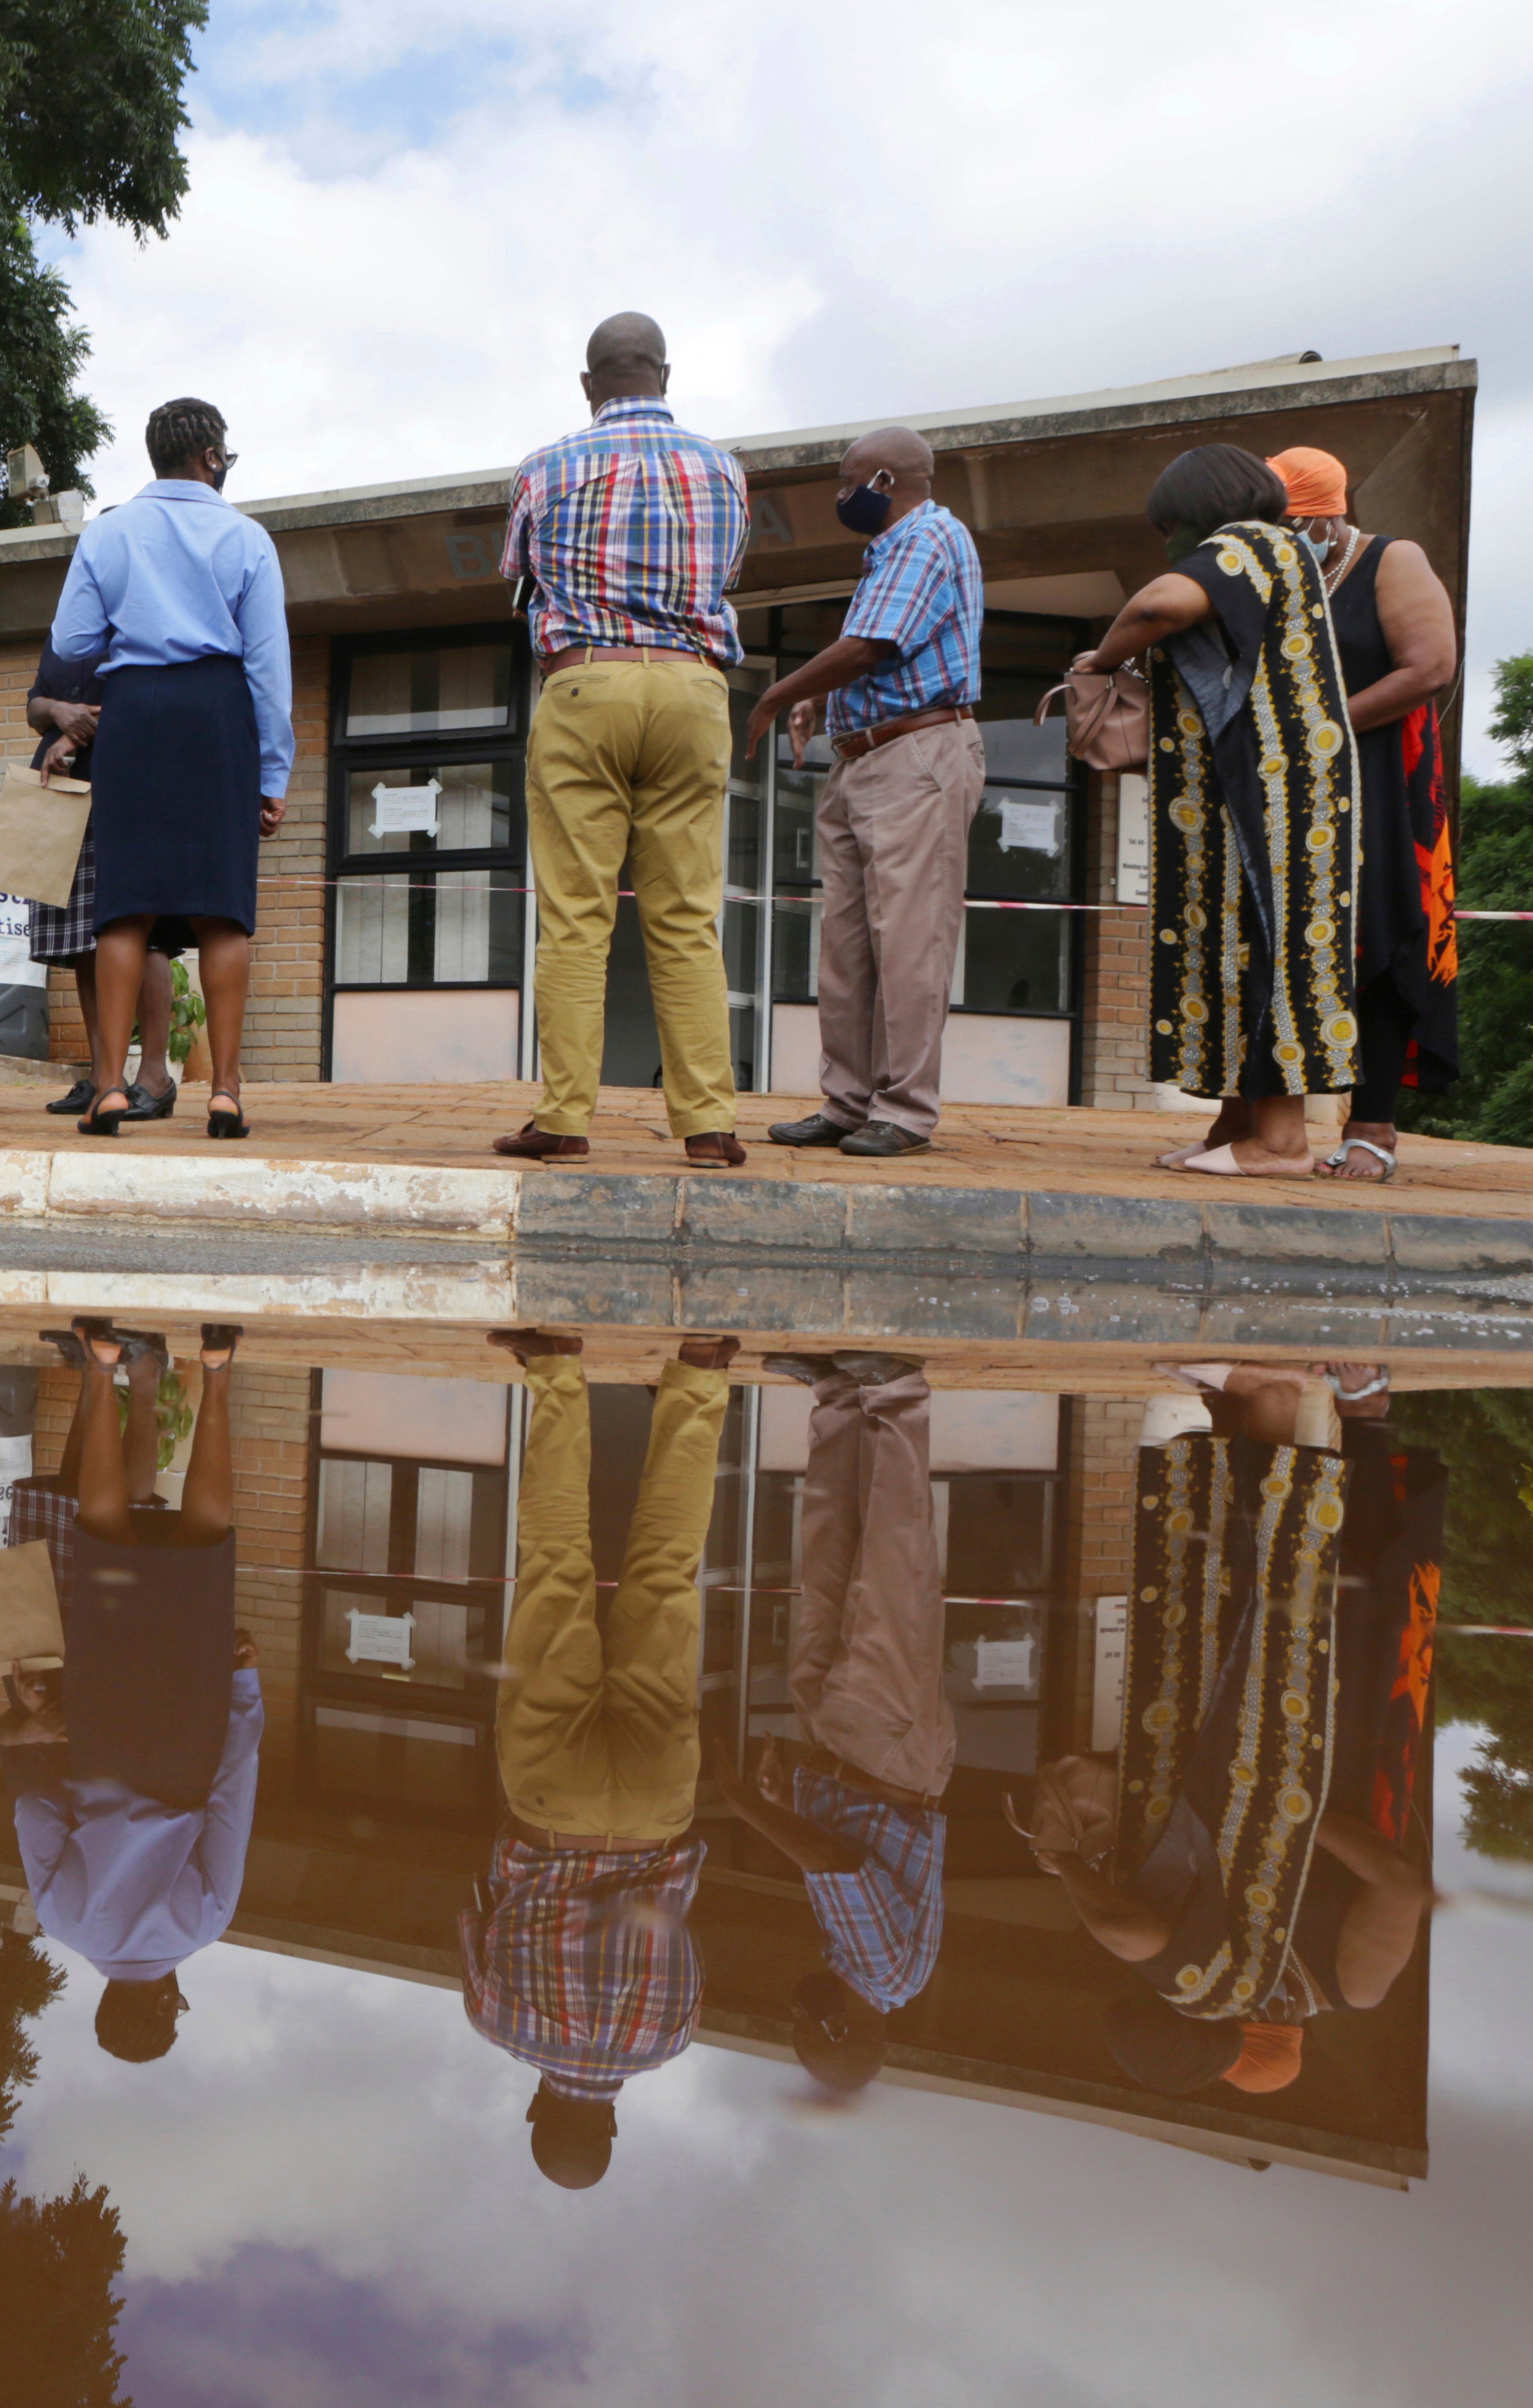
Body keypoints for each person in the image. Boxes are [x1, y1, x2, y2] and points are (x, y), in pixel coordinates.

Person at [1024, 1368, 1428, 2093]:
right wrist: (1287, 1811)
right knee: (1346, 1596)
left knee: (1243, 1596)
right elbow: (1398, 1884)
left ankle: (1255, 1408)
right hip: (1337, 1763)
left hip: (1242, 1757)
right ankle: (1360, 1412)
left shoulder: (1213, 1960)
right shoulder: (1344, 1986)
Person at [462, 1325, 732, 2186]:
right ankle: (554, 1368)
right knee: (555, 1566)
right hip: (551, 1806)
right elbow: (477, 1908)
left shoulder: (675, 2036)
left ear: (611, 2127)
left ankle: (701, 1374)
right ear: (540, 2111)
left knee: (666, 1573)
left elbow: (684, 1931)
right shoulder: (500, 2026)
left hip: (658, 1812)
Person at [495, 315, 752, 1169]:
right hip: (690, 686)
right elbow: (723, 576)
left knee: (576, 918)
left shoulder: (545, 466)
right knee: (687, 918)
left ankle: (565, 1116)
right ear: (666, 375)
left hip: (587, 682)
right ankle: (709, 1124)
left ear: (588, 384)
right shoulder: (725, 470)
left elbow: (520, 579)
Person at [1073, 445, 1362, 1175]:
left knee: (1264, 943)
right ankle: (1237, 1126)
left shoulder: (1247, 543)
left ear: (1193, 512)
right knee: (1235, 946)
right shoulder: (1279, 552)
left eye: (1167, 526)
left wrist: (1101, 660)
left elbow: (1159, 604)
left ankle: (1281, 1143)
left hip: (1271, 795)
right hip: (1265, 789)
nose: (1167, 543)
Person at [0, 1321, 259, 2062]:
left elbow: (234, 1797)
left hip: (187, 1732)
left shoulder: (202, 1928)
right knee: (104, 1532)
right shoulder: (65, 1922)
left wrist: (244, 1691)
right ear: (106, 2005)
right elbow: (33, 1806)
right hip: (103, 1730)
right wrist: (42, 1724)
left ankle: (217, 1371)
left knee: (206, 1534)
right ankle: (105, 1366)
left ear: (168, 2008)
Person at [47, 399, 292, 1139]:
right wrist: (271, 774)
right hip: (216, 713)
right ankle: (224, 1091)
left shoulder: (109, 532)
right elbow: (268, 668)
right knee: (222, 908)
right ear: (212, 457)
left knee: (125, 907)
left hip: (133, 715)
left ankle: (111, 1088)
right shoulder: (246, 538)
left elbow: (72, 639)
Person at [714, 1351, 954, 2094]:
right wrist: (747, 1808)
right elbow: (838, 1864)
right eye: (800, 2029)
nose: (793, 2013)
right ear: (838, 2031)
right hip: (890, 1755)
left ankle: (840, 1399)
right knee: (892, 1566)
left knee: (826, 1555)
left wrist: (790, 1798)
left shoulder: (860, 1963)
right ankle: (894, 1391)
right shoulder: (883, 1973)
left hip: (842, 1754)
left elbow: (848, 1853)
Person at [746, 426, 987, 1159]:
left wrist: (772, 696)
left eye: (847, 482)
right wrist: (822, 702)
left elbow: (872, 645)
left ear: (884, 480)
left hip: (917, 755)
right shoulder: (888, 552)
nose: (839, 496)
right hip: (865, 758)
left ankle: (906, 1111)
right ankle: (847, 1103)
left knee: (909, 941)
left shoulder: (924, 539)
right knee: (846, 947)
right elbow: (876, 654)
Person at [1268, 446, 1462, 1185]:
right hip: (1291, 785)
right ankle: (1271, 1123)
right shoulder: (1277, 575)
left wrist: (1327, 731)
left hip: (1379, 775)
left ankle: (1372, 1123)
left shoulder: (1390, 560)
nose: (1281, 533)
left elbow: (1430, 666)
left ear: (1324, 516)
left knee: (1380, 940)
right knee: (1285, 945)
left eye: (1290, 522)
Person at [21, 645, 178, 1121]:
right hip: (60, 789)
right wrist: (56, 711)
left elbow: (147, 699)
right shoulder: (65, 634)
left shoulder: (138, 620)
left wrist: (75, 733)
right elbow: (34, 703)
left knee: (142, 932)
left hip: (129, 785)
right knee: (82, 940)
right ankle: (104, 1075)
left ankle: (155, 1076)